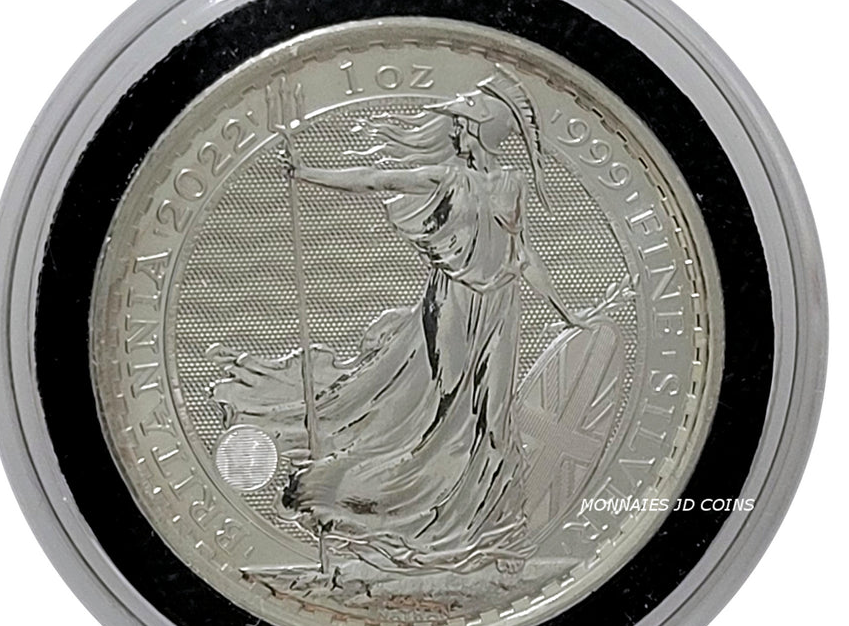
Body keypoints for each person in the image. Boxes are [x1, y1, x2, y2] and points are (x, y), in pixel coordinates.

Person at [211, 68, 580, 576]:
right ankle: (404, 509)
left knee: (493, 418)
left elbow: (523, 256)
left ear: (483, 130)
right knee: (447, 410)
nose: (457, 132)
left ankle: (487, 523)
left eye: (464, 124)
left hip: (500, 308)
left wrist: (567, 312)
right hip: (453, 304)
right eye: (457, 124)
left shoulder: (511, 185)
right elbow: (377, 179)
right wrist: (307, 173)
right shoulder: (448, 178)